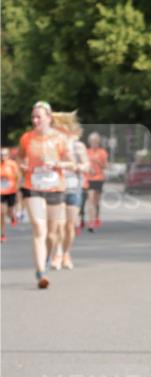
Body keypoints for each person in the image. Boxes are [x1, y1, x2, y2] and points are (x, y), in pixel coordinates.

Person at [18, 101, 71, 289]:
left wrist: (58, 165)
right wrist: (22, 166)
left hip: (55, 188)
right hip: (33, 186)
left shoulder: (60, 139)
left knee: (52, 234)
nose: (35, 120)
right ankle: (41, 272)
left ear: (49, 118)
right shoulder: (26, 138)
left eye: (39, 116)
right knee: (38, 228)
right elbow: (20, 157)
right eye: (33, 116)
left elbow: (70, 162)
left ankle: (47, 257)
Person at [51, 112, 89, 270]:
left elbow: (86, 165)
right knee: (58, 224)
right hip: (56, 188)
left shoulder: (78, 146)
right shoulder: (51, 145)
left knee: (70, 225)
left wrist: (78, 167)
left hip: (73, 188)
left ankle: (66, 253)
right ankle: (58, 254)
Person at [85, 131, 108, 230]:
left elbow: (105, 166)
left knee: (96, 202)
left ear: (98, 142)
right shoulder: (87, 152)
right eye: (92, 141)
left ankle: (97, 217)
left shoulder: (102, 152)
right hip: (89, 178)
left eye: (96, 141)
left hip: (99, 178)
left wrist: (98, 161)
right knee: (90, 200)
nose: (94, 143)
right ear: (89, 142)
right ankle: (91, 222)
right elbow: (84, 164)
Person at [1, 146, 21, 241]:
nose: (2, 156)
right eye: (1, 154)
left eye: (4, 154)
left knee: (9, 211)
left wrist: (17, 189)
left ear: (8, 155)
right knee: (1, 212)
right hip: (1, 192)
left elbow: (18, 177)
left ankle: (13, 217)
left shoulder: (12, 164)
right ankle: (2, 233)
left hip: (11, 191)